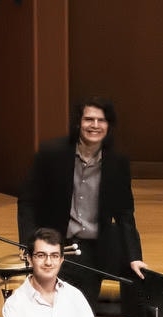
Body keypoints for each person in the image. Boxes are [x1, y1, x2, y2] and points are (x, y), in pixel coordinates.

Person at [18, 96, 147, 305]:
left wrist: (134, 257)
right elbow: (27, 201)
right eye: (89, 119)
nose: (94, 125)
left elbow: (125, 213)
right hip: (56, 242)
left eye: (101, 120)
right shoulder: (52, 154)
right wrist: (28, 243)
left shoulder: (117, 163)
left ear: (108, 125)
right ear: (79, 122)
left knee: (78, 308)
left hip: (93, 249)